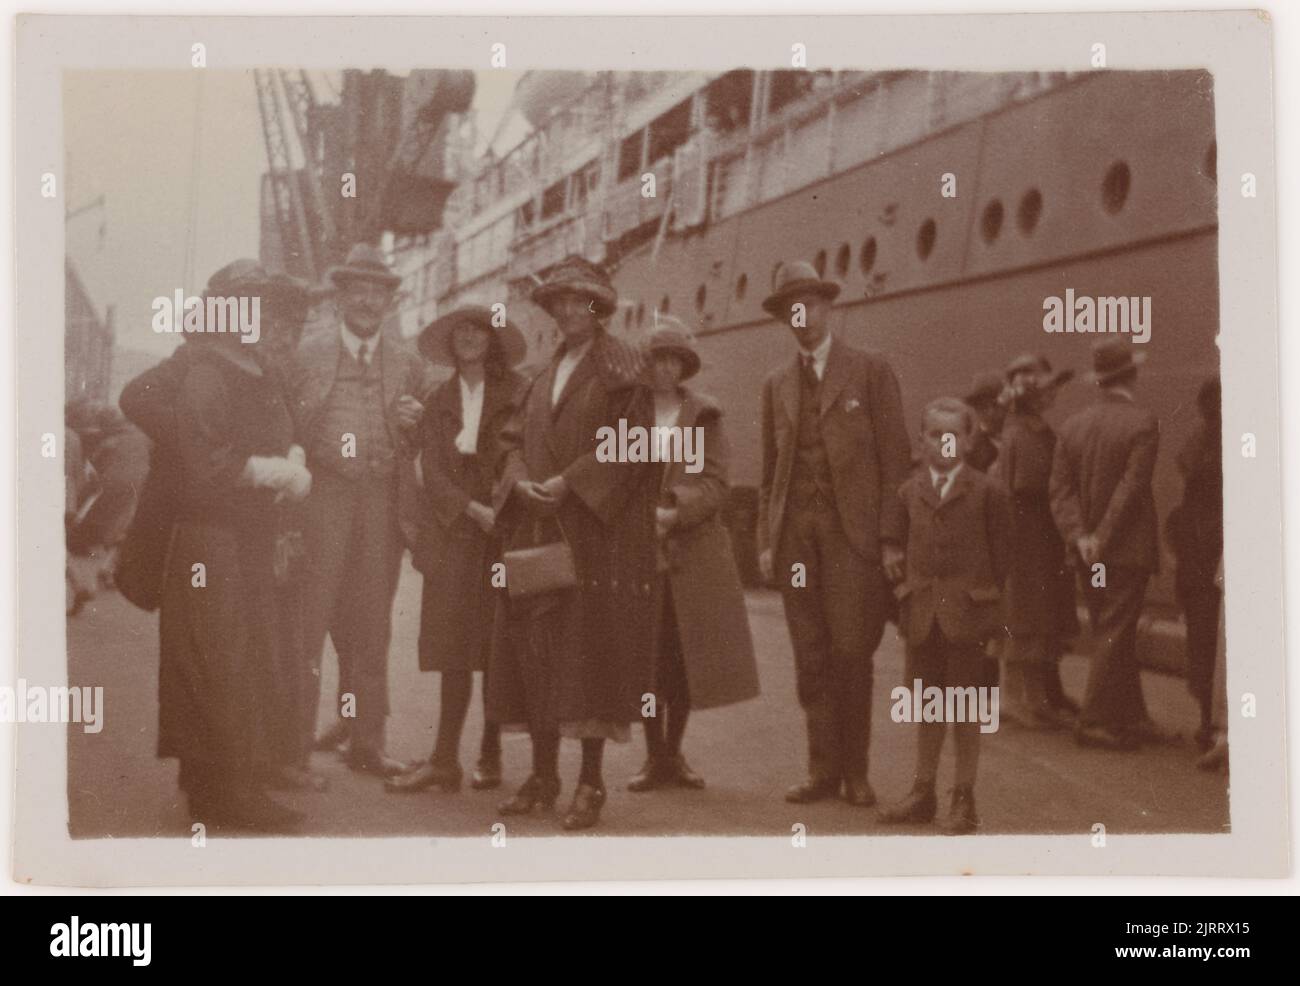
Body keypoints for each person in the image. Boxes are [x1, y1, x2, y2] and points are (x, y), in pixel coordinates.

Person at [120, 260, 323, 794]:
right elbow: (142, 403)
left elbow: (286, 421)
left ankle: (257, 766)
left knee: (260, 648)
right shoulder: (201, 362)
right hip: (212, 526)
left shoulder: (261, 363)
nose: (256, 311)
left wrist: (290, 450)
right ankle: (221, 788)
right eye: (246, 300)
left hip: (256, 529)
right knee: (217, 655)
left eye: (262, 302)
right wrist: (207, 450)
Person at [489, 255, 656, 831]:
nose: (567, 310)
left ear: (599, 306)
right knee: (535, 653)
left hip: (592, 535)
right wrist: (517, 480)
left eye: (579, 301)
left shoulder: (624, 369)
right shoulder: (542, 370)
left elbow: (633, 446)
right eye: (558, 301)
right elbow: (510, 439)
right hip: (536, 528)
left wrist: (570, 482)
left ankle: (589, 783)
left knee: (588, 657)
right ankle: (541, 775)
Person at [757, 260, 912, 806]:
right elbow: (770, 469)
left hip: (853, 538)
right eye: (791, 311)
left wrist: (892, 538)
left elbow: (897, 459)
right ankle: (822, 770)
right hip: (798, 537)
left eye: (810, 306)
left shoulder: (870, 371)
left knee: (852, 652)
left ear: (827, 308)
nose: (802, 317)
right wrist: (767, 540)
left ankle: (856, 771)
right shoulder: (776, 384)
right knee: (810, 655)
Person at [289, 243, 432, 778]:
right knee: (310, 621)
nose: (369, 300)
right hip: (322, 497)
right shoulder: (308, 352)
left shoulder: (408, 362)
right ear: (342, 295)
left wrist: (415, 425)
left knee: (371, 625)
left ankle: (366, 740)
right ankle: (291, 749)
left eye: (379, 291)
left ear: (389, 301)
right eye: (359, 289)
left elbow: (419, 443)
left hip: (380, 501)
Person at [387, 306, 527, 794]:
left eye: (478, 331)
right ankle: (444, 759)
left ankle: (490, 753)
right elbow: (431, 470)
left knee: (494, 644)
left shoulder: (517, 393)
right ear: (451, 343)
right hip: (454, 530)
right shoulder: (437, 397)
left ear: (492, 341)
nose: (469, 338)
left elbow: (523, 454)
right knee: (451, 648)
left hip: (502, 528)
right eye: (461, 332)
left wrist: (500, 506)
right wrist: (469, 508)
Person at [626, 320, 760, 793]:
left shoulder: (704, 415)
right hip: (638, 553)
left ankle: (673, 753)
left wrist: (673, 511)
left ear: (683, 366)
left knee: (683, 656)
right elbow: (613, 475)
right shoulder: (627, 412)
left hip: (691, 553)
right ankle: (652, 755)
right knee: (644, 658)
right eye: (657, 358)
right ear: (646, 364)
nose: (665, 367)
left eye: (673, 359)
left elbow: (718, 482)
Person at [878, 398, 1011, 833]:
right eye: (936, 434)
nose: (945, 442)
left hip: (969, 619)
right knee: (928, 705)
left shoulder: (988, 491)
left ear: (970, 441)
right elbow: (893, 547)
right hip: (923, 618)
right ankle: (922, 792)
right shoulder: (909, 490)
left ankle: (964, 798)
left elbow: (1003, 560)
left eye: (954, 434)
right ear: (922, 440)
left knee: (966, 709)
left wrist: (996, 621)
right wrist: (903, 588)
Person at [1049, 339, 1165, 750]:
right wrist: (1103, 538)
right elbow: (1131, 489)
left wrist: (1081, 537)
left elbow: (1059, 491)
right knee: (1117, 629)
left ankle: (1131, 714)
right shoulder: (1142, 423)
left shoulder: (1073, 425)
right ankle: (1094, 721)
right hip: (1124, 551)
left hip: (1087, 554)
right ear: (1131, 375)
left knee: (1109, 628)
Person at [994, 354, 1079, 727]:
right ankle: (1017, 699)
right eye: (1046, 390)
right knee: (1023, 614)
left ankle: (1034, 697)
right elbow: (1027, 484)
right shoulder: (1022, 434)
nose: (1053, 396)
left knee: (1033, 613)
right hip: (1026, 536)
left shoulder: (1029, 430)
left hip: (1037, 536)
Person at [1166, 377, 1223, 748]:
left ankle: (1207, 721)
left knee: (1202, 641)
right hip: (1213, 554)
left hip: (1197, 559)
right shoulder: (1225, 445)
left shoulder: (1196, 444)